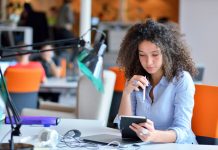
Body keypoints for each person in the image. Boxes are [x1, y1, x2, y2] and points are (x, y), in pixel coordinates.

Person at [114, 19, 198, 144]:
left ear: (167, 52)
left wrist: (153, 136)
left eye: (155, 54)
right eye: (142, 55)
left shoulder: (181, 79)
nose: (148, 62)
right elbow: (124, 128)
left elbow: (183, 131)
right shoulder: (135, 78)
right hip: (145, 146)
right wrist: (126, 94)